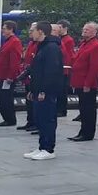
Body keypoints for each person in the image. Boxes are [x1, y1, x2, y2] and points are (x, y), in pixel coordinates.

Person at [23, 21, 64, 161]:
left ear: (41, 31)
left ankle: (48, 148)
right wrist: (32, 89)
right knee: (40, 118)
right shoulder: (42, 46)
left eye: (33, 30)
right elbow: (36, 70)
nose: (31, 32)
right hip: (38, 89)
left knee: (47, 119)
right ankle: (42, 146)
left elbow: (51, 72)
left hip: (47, 91)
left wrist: (43, 90)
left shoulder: (52, 48)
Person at [68, 22, 98, 141]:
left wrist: (88, 84)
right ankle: (82, 131)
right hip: (79, 80)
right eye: (84, 29)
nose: (84, 31)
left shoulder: (96, 45)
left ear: (94, 32)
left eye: (87, 29)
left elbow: (94, 67)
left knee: (88, 109)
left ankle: (88, 133)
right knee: (82, 108)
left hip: (87, 83)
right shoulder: (84, 43)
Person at [0, 21, 23, 127]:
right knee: (2, 97)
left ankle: (10, 119)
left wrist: (11, 76)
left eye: (4, 28)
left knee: (6, 98)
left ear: (11, 29)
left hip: (7, 76)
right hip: (3, 74)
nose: (2, 30)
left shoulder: (14, 42)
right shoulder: (7, 41)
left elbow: (14, 61)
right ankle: (7, 118)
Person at [17, 33, 39, 134]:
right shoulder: (31, 43)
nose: (30, 32)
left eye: (32, 30)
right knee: (29, 100)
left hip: (35, 76)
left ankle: (36, 123)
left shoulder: (40, 44)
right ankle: (30, 121)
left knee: (35, 102)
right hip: (29, 75)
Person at [55, 20, 75, 118]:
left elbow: (69, 55)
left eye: (60, 27)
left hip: (65, 68)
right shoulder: (59, 38)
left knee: (63, 91)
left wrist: (67, 67)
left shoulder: (68, 40)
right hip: (59, 67)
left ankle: (62, 110)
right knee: (58, 90)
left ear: (65, 28)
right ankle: (58, 108)